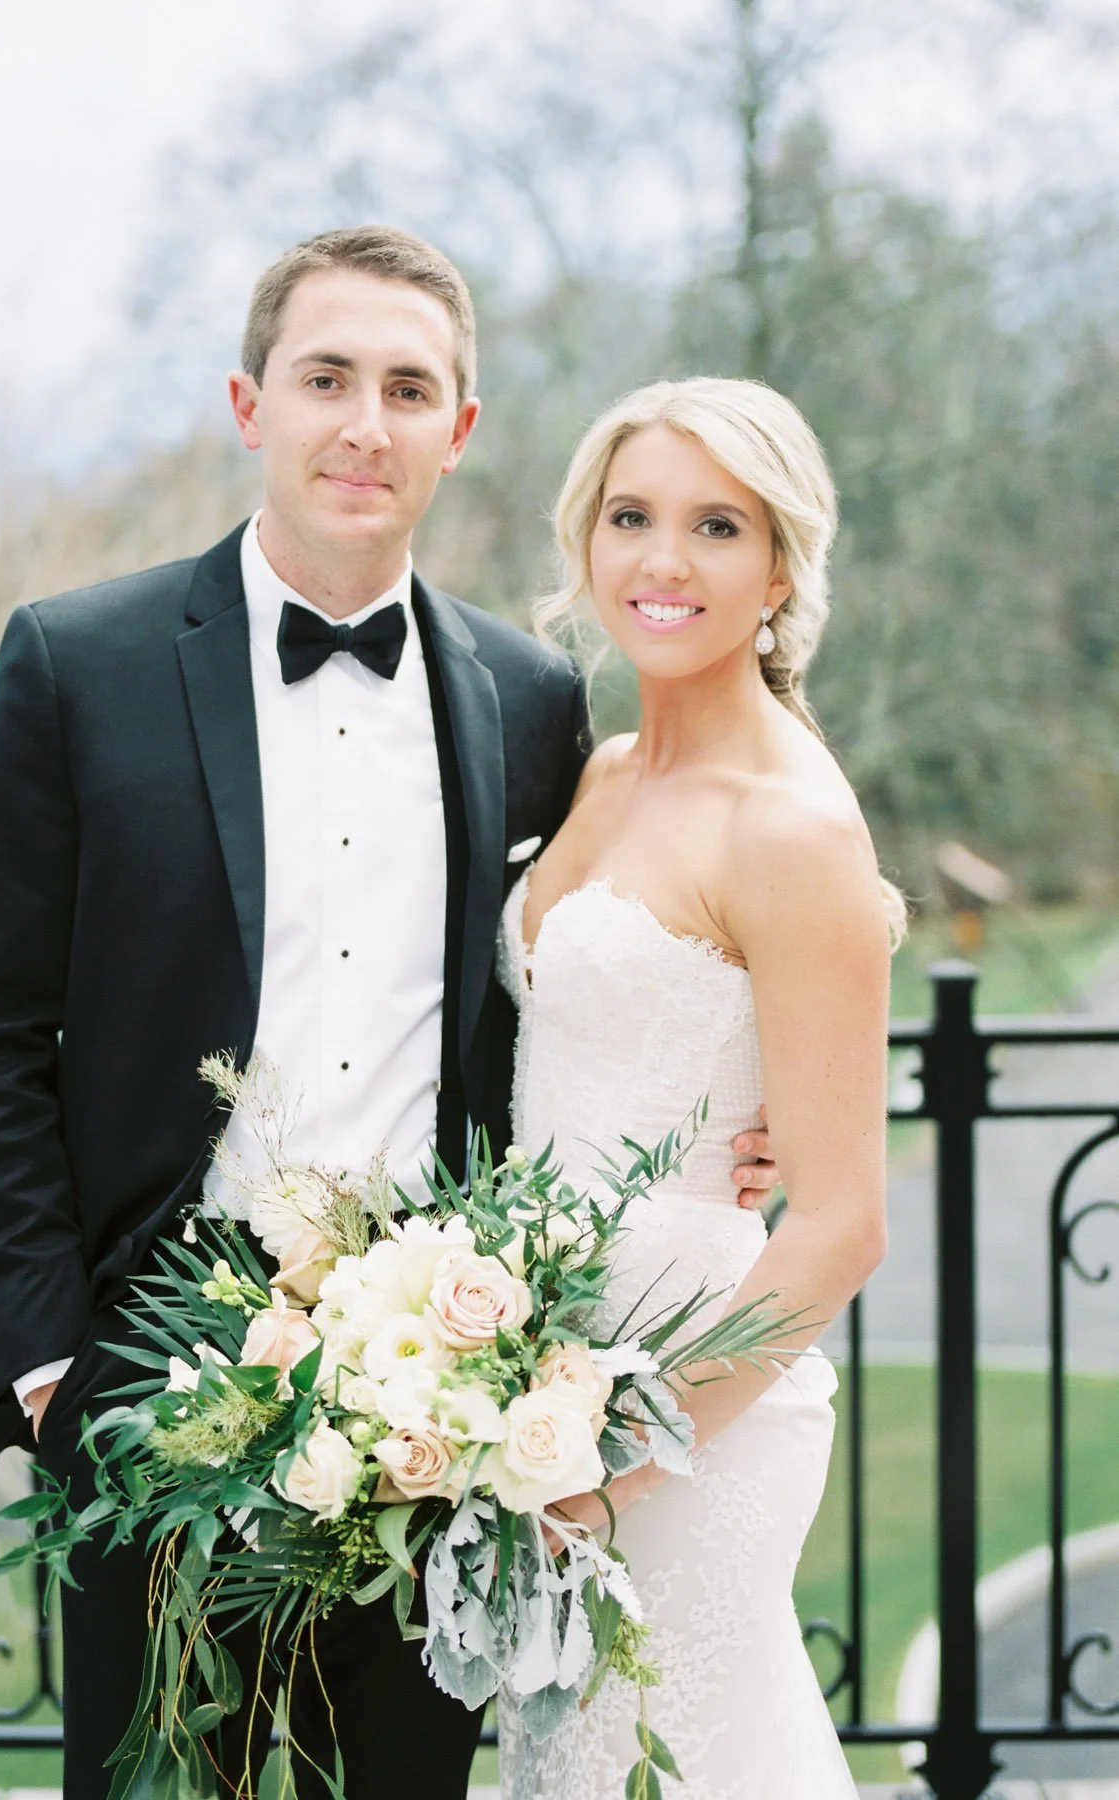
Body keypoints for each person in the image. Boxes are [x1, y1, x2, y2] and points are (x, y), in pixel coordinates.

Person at [0, 230, 779, 1800]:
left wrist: (745, 1100)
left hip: (435, 1412)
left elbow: (583, 972)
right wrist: (49, 1365)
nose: (363, 424)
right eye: (327, 379)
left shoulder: (529, 701)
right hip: (144, 1386)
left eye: (407, 389)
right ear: (250, 403)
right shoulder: (75, 662)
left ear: (458, 432)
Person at [498, 377, 898, 1800]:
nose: (662, 562)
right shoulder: (599, 774)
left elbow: (841, 1224)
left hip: (687, 1414)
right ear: (585, 540)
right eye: (631, 517)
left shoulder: (789, 823)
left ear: (779, 566)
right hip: (533, 1383)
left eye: (714, 525)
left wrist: (608, 1465)